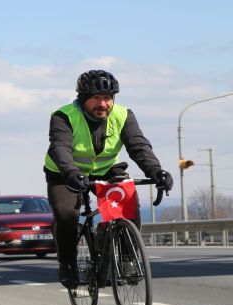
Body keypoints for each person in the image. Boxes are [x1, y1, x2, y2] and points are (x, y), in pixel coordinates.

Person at [44, 70, 173, 289]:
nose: (103, 103)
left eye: (108, 98)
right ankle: (67, 263)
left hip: (106, 169)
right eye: (97, 98)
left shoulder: (123, 115)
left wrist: (156, 171)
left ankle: (125, 258)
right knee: (66, 216)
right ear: (83, 98)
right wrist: (71, 173)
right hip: (65, 172)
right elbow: (60, 148)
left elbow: (138, 146)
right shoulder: (63, 116)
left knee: (127, 206)